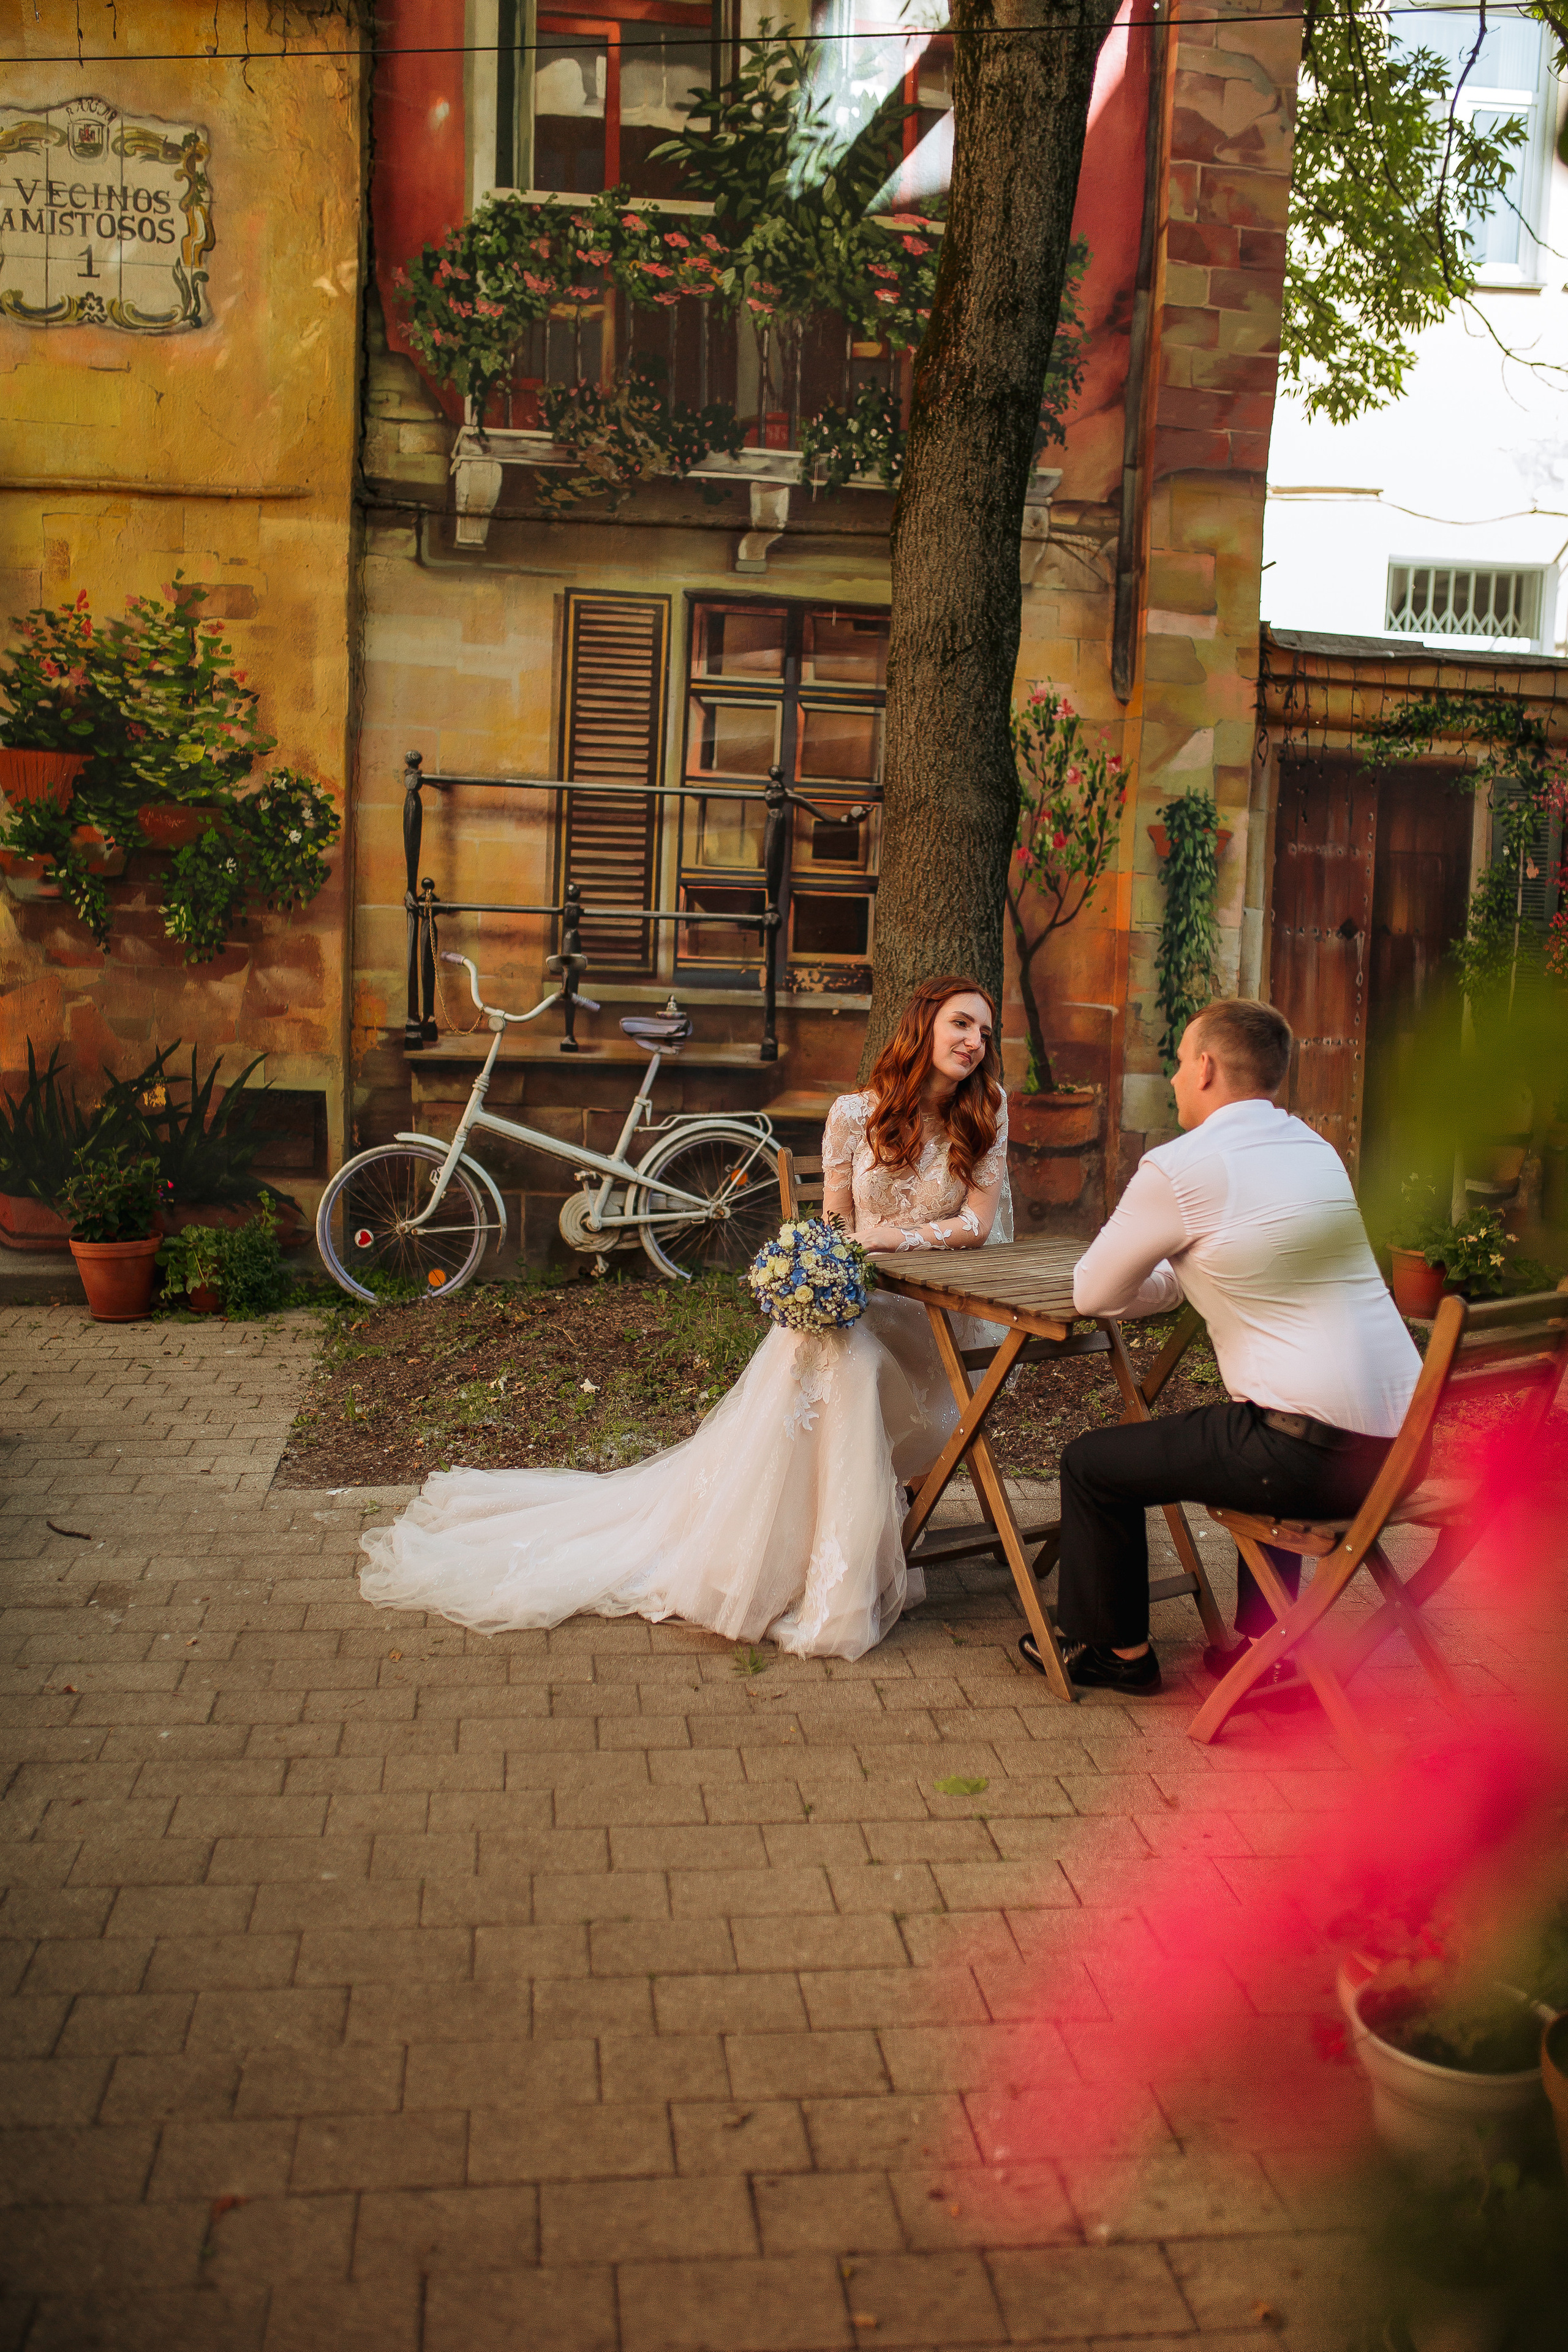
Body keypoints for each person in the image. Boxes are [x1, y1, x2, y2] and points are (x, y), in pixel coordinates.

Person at [359, 976, 1013, 1661]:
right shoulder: (854, 1114)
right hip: (866, 1300)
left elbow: (976, 1222)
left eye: (984, 1034)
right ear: (925, 1025)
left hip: (936, 1310)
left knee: (837, 1360)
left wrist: (897, 1240)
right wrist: (825, 1271)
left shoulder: (987, 1111)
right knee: (834, 1356)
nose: (974, 1043)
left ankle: (835, 1567)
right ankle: (791, 1566)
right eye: (962, 1025)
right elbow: (836, 1223)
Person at [1019, 997, 1421, 1696]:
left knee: (1092, 1462)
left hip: (1306, 1462)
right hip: (1399, 1454)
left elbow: (1094, 1294)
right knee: (1256, 1419)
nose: (1173, 1079)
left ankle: (1118, 1652)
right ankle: (1270, 1649)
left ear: (1205, 1067)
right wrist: (1178, 1279)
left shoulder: (1181, 1165)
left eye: (1177, 1064)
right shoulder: (1315, 1150)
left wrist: (1165, 1283)